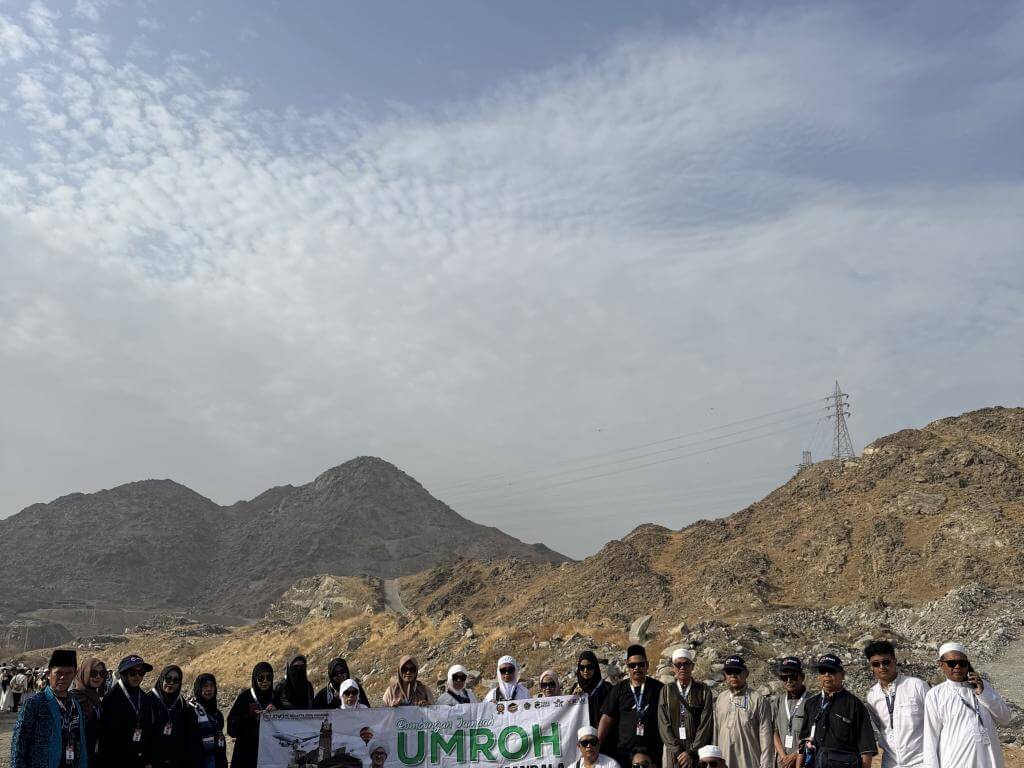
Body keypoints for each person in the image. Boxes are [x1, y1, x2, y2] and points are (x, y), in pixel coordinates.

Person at [922, 641, 1010, 768]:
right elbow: (930, 738)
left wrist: (983, 693)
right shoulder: (935, 695)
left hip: (989, 761)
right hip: (957, 762)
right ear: (941, 664)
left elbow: (1005, 719)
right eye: (951, 663)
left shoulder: (983, 686)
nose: (957, 666)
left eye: (962, 663)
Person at [10, 649, 89, 768]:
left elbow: (81, 741)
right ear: (48, 674)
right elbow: (18, 745)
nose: (63, 677)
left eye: (68, 673)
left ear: (74, 674)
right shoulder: (34, 704)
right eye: (58, 673)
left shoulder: (75, 704)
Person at [799, 654, 877, 768]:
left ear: (842, 674)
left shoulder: (855, 705)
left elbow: (866, 750)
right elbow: (803, 743)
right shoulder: (810, 704)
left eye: (831, 671)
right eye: (822, 671)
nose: (826, 675)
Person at [864, 640, 930, 768]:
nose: (882, 667)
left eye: (886, 662)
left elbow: (935, 720)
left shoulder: (916, 686)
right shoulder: (872, 695)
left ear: (894, 661)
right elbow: (881, 726)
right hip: (891, 762)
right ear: (871, 667)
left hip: (921, 760)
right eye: (876, 664)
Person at [598, 644, 664, 768]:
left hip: (651, 754)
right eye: (632, 665)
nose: (636, 668)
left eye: (640, 664)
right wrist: (597, 743)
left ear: (647, 665)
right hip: (625, 754)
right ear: (627, 666)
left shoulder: (659, 688)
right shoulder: (619, 689)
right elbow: (607, 718)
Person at [712, 655, 772, 768]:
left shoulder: (757, 699)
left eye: (737, 671)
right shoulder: (721, 698)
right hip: (724, 761)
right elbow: (715, 731)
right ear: (725, 675)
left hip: (749, 761)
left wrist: (766, 765)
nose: (733, 675)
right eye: (729, 672)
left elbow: (766, 737)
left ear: (746, 674)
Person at [658, 648, 713, 768]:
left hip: (697, 752)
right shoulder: (666, 691)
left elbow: (706, 725)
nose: (682, 668)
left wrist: (691, 752)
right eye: (678, 664)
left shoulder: (703, 690)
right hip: (674, 754)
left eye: (686, 664)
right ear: (673, 668)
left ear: (692, 666)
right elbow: (663, 723)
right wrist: (678, 751)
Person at [100, 654, 156, 768]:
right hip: (116, 760)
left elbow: (148, 730)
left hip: (139, 759)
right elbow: (106, 736)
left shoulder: (144, 698)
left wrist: (147, 759)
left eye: (141, 673)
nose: (137, 677)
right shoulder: (111, 698)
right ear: (124, 674)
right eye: (133, 673)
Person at [227, 662, 275, 768]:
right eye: (261, 678)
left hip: (269, 754)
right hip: (246, 755)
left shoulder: (275, 698)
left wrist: (277, 711)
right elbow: (231, 729)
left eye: (269, 677)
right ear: (255, 678)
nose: (265, 681)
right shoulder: (245, 698)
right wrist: (251, 719)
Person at [770, 656, 808, 768]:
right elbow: (774, 731)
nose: (789, 681)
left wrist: (794, 756)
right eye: (784, 677)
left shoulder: (811, 702)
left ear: (802, 677)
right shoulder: (778, 701)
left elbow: (813, 736)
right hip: (782, 762)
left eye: (793, 677)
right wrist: (783, 756)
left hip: (802, 762)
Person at [149, 665, 189, 768]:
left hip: (176, 760)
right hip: (153, 760)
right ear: (162, 678)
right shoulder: (149, 700)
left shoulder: (181, 702)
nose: (171, 683)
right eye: (168, 679)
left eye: (176, 680)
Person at [69, 656, 106, 762]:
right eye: (93, 673)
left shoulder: (94, 697)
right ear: (84, 673)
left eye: (102, 673)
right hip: (76, 757)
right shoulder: (73, 698)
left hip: (93, 754)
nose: (98, 677)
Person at [187, 674, 227, 768]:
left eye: (211, 686)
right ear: (198, 688)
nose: (209, 689)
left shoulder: (218, 714)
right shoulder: (191, 710)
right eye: (205, 686)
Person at [572, 651, 613, 729]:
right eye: (582, 667)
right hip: (582, 735)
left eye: (589, 667)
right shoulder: (575, 688)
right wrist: (573, 698)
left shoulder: (606, 688)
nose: (585, 670)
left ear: (595, 667)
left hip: (602, 734)